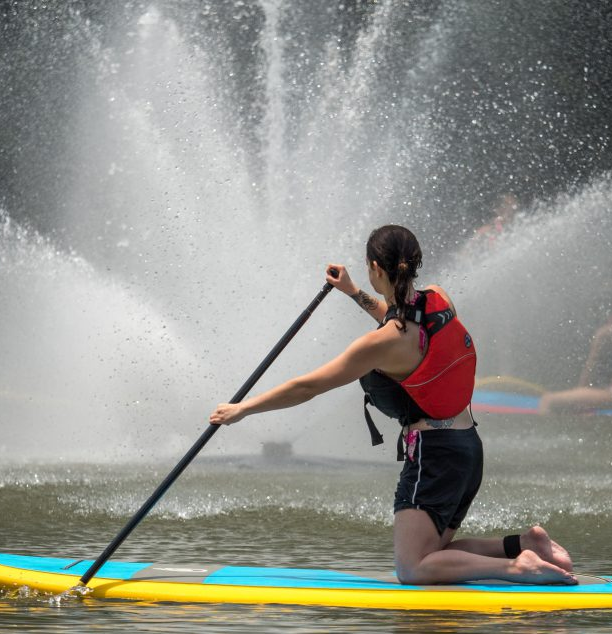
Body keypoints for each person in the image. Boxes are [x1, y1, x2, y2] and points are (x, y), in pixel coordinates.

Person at [210, 225, 575, 586]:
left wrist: (243, 408)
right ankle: (523, 545)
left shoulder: (379, 345)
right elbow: (403, 317)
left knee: (413, 569)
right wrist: (353, 292)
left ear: (376, 269)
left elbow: (307, 387)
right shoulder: (438, 298)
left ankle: (517, 568)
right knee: (436, 553)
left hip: (435, 456)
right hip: (467, 448)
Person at [539, 312, 612, 413]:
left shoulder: (606, 332)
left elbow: (591, 365)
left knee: (549, 400)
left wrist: (579, 395)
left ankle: (546, 414)